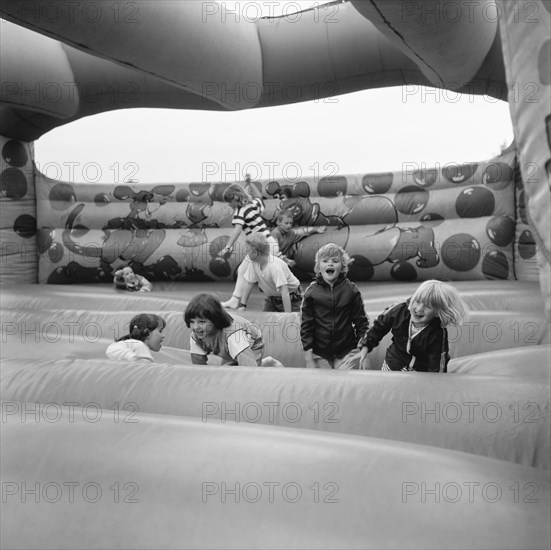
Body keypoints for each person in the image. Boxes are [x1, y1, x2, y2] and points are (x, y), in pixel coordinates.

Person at [360, 279, 469, 372]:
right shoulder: (399, 312)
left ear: (437, 312)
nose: (419, 309)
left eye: (427, 307)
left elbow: (437, 362)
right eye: (417, 301)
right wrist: (366, 346)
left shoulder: (437, 333)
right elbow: (379, 326)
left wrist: (435, 384)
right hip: (393, 363)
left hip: (419, 372)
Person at [219, 174, 286, 309]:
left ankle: (236, 300)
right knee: (248, 270)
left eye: (229, 202)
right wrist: (250, 183)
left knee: (246, 270)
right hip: (271, 243)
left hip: (262, 246)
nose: (229, 205)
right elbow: (259, 198)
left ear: (235, 198)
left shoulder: (240, 211)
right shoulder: (253, 205)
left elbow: (237, 230)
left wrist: (227, 247)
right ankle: (238, 300)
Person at [300, 243, 370, 370]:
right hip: (320, 352)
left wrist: (364, 353)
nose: (330, 264)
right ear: (318, 266)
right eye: (325, 261)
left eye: (335, 261)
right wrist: (309, 359)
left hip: (346, 351)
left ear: (342, 266)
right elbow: (306, 326)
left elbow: (361, 323)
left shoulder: (351, 290)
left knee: (347, 381)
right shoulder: (312, 292)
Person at [184, 293, 283, 367]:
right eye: (192, 321)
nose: (196, 327)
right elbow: (198, 364)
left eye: (202, 322)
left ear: (215, 320)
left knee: (239, 373)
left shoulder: (234, 334)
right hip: (228, 348)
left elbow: (249, 368)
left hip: (252, 344)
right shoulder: (196, 334)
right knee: (225, 371)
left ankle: (267, 363)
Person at [238, 233, 302, 312]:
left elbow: (285, 292)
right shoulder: (253, 263)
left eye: (247, 251)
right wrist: (243, 305)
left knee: (290, 322)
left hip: (292, 298)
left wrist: (287, 315)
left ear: (255, 253)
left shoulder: (274, 266)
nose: (246, 253)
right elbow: (249, 283)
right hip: (272, 298)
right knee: (266, 321)